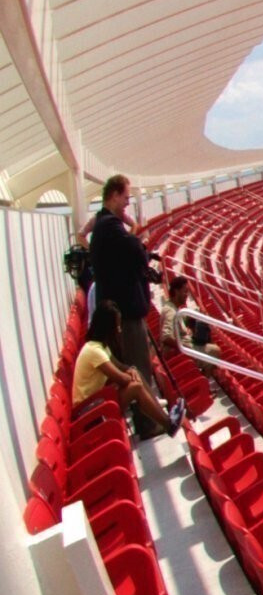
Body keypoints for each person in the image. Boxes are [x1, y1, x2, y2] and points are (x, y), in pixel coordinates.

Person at [88, 174, 162, 400]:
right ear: (113, 196)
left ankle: (149, 417)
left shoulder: (104, 225)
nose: (128, 203)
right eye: (126, 198)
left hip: (123, 308)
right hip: (127, 312)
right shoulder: (109, 226)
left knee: (138, 364)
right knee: (138, 364)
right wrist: (136, 239)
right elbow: (136, 251)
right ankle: (149, 422)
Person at [75, 301, 182, 436]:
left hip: (97, 403)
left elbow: (121, 367)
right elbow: (121, 379)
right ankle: (168, 424)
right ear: (108, 327)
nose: (119, 329)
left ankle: (162, 413)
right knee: (135, 387)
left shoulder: (100, 346)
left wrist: (131, 370)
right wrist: (130, 375)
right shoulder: (94, 351)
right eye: (117, 325)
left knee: (134, 372)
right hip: (88, 414)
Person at [158, 277, 215, 355]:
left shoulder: (175, 308)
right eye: (185, 292)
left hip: (186, 345)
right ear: (176, 291)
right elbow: (166, 337)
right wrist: (185, 349)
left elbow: (184, 321)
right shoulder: (170, 310)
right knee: (214, 350)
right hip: (180, 352)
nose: (187, 295)